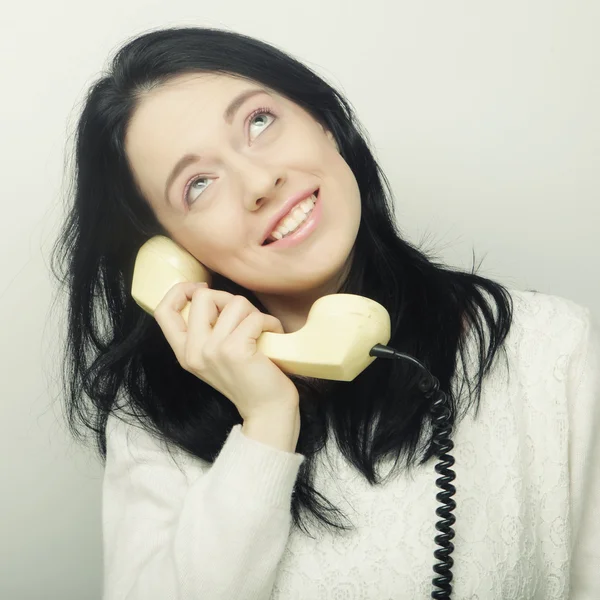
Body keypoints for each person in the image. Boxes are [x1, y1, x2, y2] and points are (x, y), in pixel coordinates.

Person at [51, 26, 599, 600]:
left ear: (325, 122)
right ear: (172, 251)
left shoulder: (551, 348)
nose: (260, 182)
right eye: (199, 185)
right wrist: (266, 421)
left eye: (258, 122)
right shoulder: (153, 419)